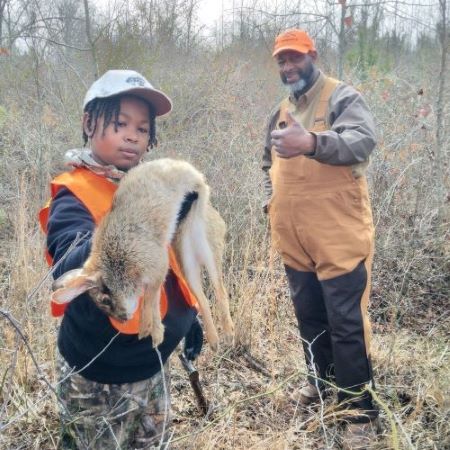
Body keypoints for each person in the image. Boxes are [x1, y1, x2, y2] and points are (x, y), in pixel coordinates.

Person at [39, 70, 203, 449]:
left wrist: (186, 316)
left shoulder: (148, 188)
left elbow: (168, 265)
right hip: (98, 377)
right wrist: (124, 215)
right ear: (88, 123)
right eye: (119, 123)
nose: (133, 135)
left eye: (143, 129)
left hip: (153, 368)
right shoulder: (74, 194)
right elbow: (68, 261)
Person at [262, 29, 379, 448]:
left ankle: (359, 413)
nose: (289, 66)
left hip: (338, 234)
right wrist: (269, 202)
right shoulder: (279, 109)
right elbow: (267, 162)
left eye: (295, 58)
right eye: (281, 60)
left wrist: (310, 141)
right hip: (294, 239)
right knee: (309, 317)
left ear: (312, 55)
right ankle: (321, 385)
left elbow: (362, 142)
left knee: (346, 323)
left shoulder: (341, 97)